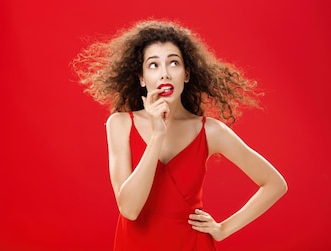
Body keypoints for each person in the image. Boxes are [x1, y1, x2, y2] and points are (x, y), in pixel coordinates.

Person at [72, 20, 287, 250]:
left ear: (186, 74)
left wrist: (223, 229)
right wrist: (157, 136)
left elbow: (275, 184)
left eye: (173, 63)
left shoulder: (210, 131)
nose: (164, 74)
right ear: (142, 78)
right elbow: (129, 209)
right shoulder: (120, 124)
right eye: (153, 65)